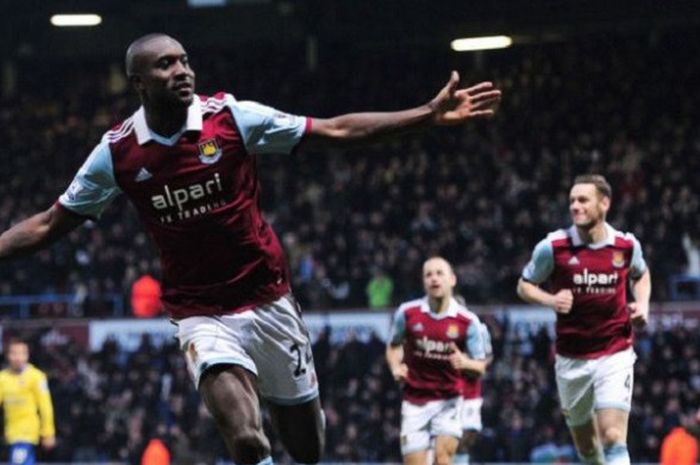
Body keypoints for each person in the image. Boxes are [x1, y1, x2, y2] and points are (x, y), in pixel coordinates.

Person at [0, 34, 501, 465]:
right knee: (244, 436)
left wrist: (425, 117)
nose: (182, 71)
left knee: (306, 448)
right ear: (138, 83)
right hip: (200, 312)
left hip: (268, 299)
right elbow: (49, 223)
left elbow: (335, 130)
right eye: (165, 65)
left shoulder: (232, 118)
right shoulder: (119, 152)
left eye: (184, 61)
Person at [516, 174, 651, 465]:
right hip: (571, 358)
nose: (575, 206)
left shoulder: (625, 246)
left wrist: (642, 304)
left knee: (613, 436)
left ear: (604, 204)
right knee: (588, 449)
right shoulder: (553, 247)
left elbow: (641, 274)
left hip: (615, 351)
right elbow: (524, 285)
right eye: (572, 201)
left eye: (583, 200)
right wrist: (550, 300)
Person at [386, 257, 488, 465]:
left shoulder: (468, 321)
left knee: (443, 460)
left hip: (449, 401)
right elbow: (394, 344)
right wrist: (396, 366)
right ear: (423, 282)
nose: (434, 278)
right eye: (428, 274)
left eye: (439, 273)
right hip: (415, 402)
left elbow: (481, 365)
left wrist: (465, 363)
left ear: (452, 279)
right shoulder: (407, 313)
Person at [0, 339, 56, 465]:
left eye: (22, 353)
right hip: (10, 433)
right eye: (14, 353)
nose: (18, 357)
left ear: (27, 355)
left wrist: (48, 432)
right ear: (8, 355)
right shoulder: (2, 378)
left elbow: (45, 406)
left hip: (27, 433)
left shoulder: (36, 377)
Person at [454, 321, 492, 465]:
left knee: (466, 440)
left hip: (470, 395)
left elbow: (488, 358)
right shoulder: (438, 327)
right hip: (446, 393)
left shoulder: (478, 328)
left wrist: (468, 363)